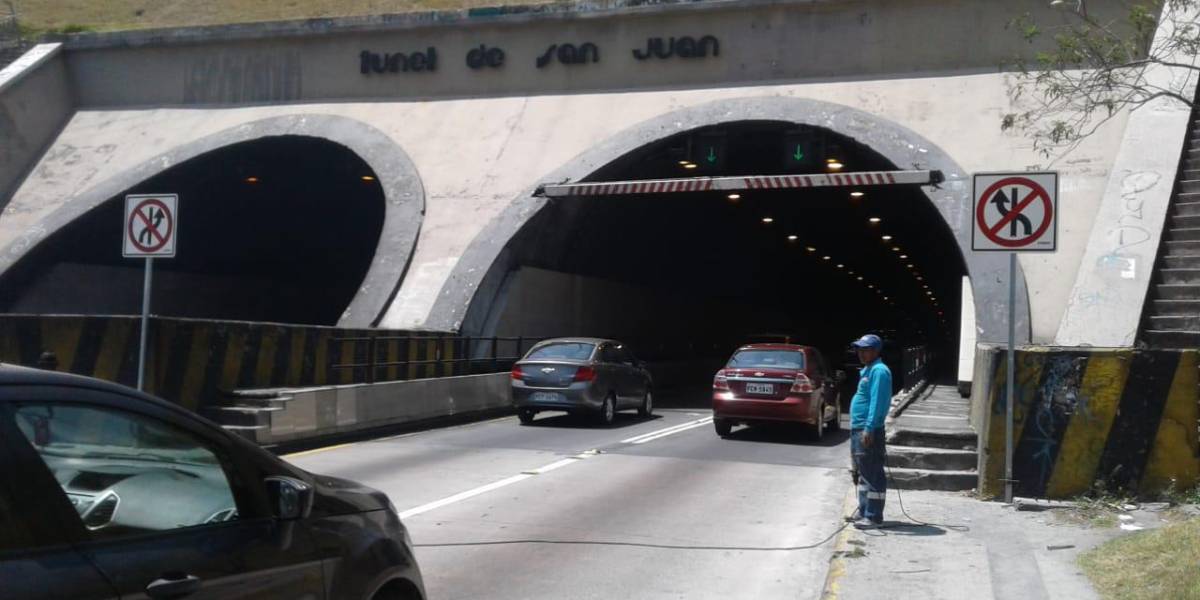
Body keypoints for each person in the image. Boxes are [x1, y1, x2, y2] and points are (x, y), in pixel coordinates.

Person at [849, 334, 892, 529]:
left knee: (873, 472)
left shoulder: (879, 371)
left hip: (867, 430)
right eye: (859, 349)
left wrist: (869, 428)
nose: (861, 353)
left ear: (875, 351)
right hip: (858, 428)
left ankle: (874, 516)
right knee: (863, 472)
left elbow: (878, 402)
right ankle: (864, 510)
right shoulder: (867, 370)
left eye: (865, 349)